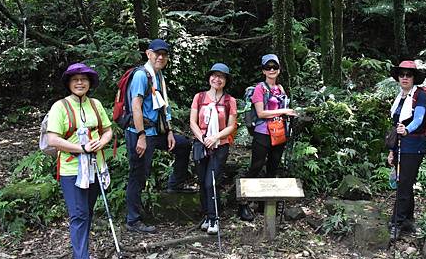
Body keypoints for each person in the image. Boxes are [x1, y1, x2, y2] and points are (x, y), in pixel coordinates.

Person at [46, 63, 113, 259]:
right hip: (71, 169)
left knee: (88, 211)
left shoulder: (96, 105)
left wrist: (100, 142)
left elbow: (108, 130)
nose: (80, 83)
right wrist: (82, 149)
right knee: (78, 214)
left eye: (84, 79)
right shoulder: (60, 107)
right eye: (75, 79)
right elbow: (53, 139)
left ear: (90, 82)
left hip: (95, 166)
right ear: (68, 83)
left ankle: (81, 252)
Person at [125, 38, 191, 234]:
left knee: (183, 145)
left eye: (164, 54)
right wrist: (141, 136)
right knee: (138, 175)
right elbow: (136, 107)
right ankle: (133, 220)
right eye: (157, 53)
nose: (160, 57)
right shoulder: (141, 76)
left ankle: (175, 184)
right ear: (148, 54)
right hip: (140, 133)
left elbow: (163, 106)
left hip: (157, 131)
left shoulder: (158, 75)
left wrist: (169, 131)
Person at [239, 54, 297, 221]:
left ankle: (265, 204)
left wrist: (289, 114)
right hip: (263, 133)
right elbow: (261, 113)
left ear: (279, 69)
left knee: (272, 168)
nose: (272, 70)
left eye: (275, 67)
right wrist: (284, 111)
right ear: (263, 70)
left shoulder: (281, 89)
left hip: (279, 134)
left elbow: (283, 108)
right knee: (256, 167)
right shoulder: (260, 88)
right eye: (268, 67)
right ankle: (243, 204)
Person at [190, 63, 237, 235]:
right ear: (209, 77)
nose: (217, 79)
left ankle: (214, 218)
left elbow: (232, 126)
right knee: (202, 182)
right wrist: (203, 139)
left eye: (221, 77)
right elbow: (192, 122)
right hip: (200, 144)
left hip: (220, 145)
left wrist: (215, 137)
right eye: (214, 75)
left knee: (212, 182)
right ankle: (206, 216)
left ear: (225, 81)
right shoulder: (199, 97)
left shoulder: (229, 101)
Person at [387, 60, 426, 240]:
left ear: (414, 78)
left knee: (403, 183)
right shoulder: (401, 97)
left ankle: (397, 222)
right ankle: (408, 220)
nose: (404, 78)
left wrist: (408, 129)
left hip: (413, 147)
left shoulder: (419, 96)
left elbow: (419, 118)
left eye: (408, 75)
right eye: (402, 74)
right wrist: (392, 151)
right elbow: (395, 126)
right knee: (405, 182)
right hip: (400, 147)